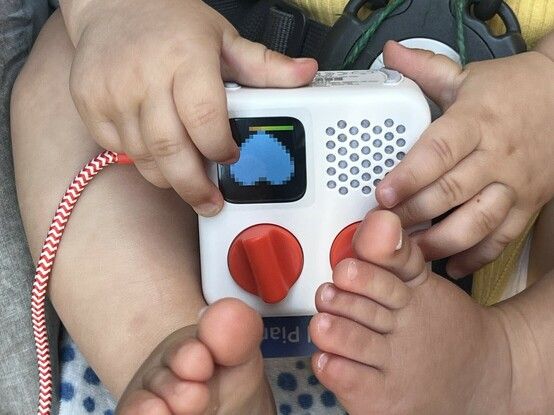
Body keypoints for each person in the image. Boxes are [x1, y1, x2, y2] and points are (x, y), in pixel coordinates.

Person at [7, 0, 554, 414]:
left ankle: (507, 366)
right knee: (65, 78)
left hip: (514, 240)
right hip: (202, 141)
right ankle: (177, 344)